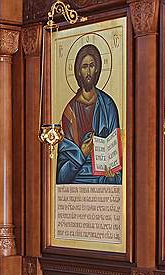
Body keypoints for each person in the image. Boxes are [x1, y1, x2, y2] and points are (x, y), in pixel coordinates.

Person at [57, 44, 121, 184]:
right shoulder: (69, 111)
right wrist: (82, 154)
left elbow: (116, 155)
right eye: (84, 67)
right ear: (78, 71)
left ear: (97, 69)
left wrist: (113, 174)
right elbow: (61, 175)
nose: (88, 71)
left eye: (92, 66)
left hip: (102, 178)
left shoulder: (108, 105)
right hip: (76, 179)